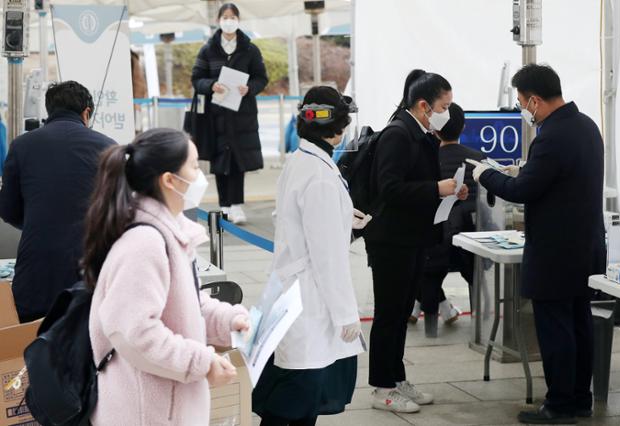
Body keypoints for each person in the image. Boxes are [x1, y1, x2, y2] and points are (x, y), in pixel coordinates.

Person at [469, 64, 606, 424]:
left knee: (556, 328)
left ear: (534, 99)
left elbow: (523, 191)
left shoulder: (552, 136)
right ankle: (580, 399)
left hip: (556, 253)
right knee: (579, 325)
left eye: (520, 102)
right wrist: (524, 171)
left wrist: (488, 175)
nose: (521, 109)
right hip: (586, 247)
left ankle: (559, 404)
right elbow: (556, 179)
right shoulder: (587, 126)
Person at [85, 128, 250, 425]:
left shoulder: (168, 234)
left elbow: (186, 304)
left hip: (165, 409)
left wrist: (228, 322)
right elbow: (135, 332)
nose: (201, 176)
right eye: (195, 166)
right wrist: (201, 362)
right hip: (147, 414)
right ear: (170, 180)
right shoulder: (145, 244)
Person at [252, 86, 365, 426]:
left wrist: (344, 216)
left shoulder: (301, 161)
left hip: (292, 291)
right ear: (338, 127)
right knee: (294, 403)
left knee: (293, 399)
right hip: (310, 302)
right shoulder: (319, 176)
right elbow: (327, 258)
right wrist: (346, 315)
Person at [363, 70, 468, 413]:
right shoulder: (398, 133)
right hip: (391, 240)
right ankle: (382, 387)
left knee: (401, 312)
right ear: (424, 105)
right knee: (389, 314)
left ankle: (397, 378)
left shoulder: (422, 133)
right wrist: (436, 188)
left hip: (412, 237)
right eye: (444, 105)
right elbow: (389, 188)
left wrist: (449, 190)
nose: (447, 113)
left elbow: (416, 183)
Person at [0, 81, 115, 323]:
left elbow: (7, 209)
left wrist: (37, 220)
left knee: (33, 344)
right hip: (91, 269)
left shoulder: (22, 145)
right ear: (86, 112)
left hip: (36, 270)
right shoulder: (108, 147)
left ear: (49, 111)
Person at [191, 2, 268, 225]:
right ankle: (224, 205)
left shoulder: (250, 49)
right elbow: (197, 79)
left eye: (232, 17)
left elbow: (261, 77)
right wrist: (211, 85)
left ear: (238, 20)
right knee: (220, 161)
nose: (228, 20)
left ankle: (236, 205)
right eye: (224, 17)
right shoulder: (207, 49)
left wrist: (250, 88)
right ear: (218, 21)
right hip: (216, 116)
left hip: (242, 115)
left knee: (237, 161)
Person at [412, 102, 485, 337]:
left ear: (435, 127)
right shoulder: (478, 158)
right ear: (463, 127)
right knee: (476, 276)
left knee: (428, 274)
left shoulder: (427, 160)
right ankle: (478, 326)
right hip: (472, 242)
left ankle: (430, 330)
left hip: (436, 242)